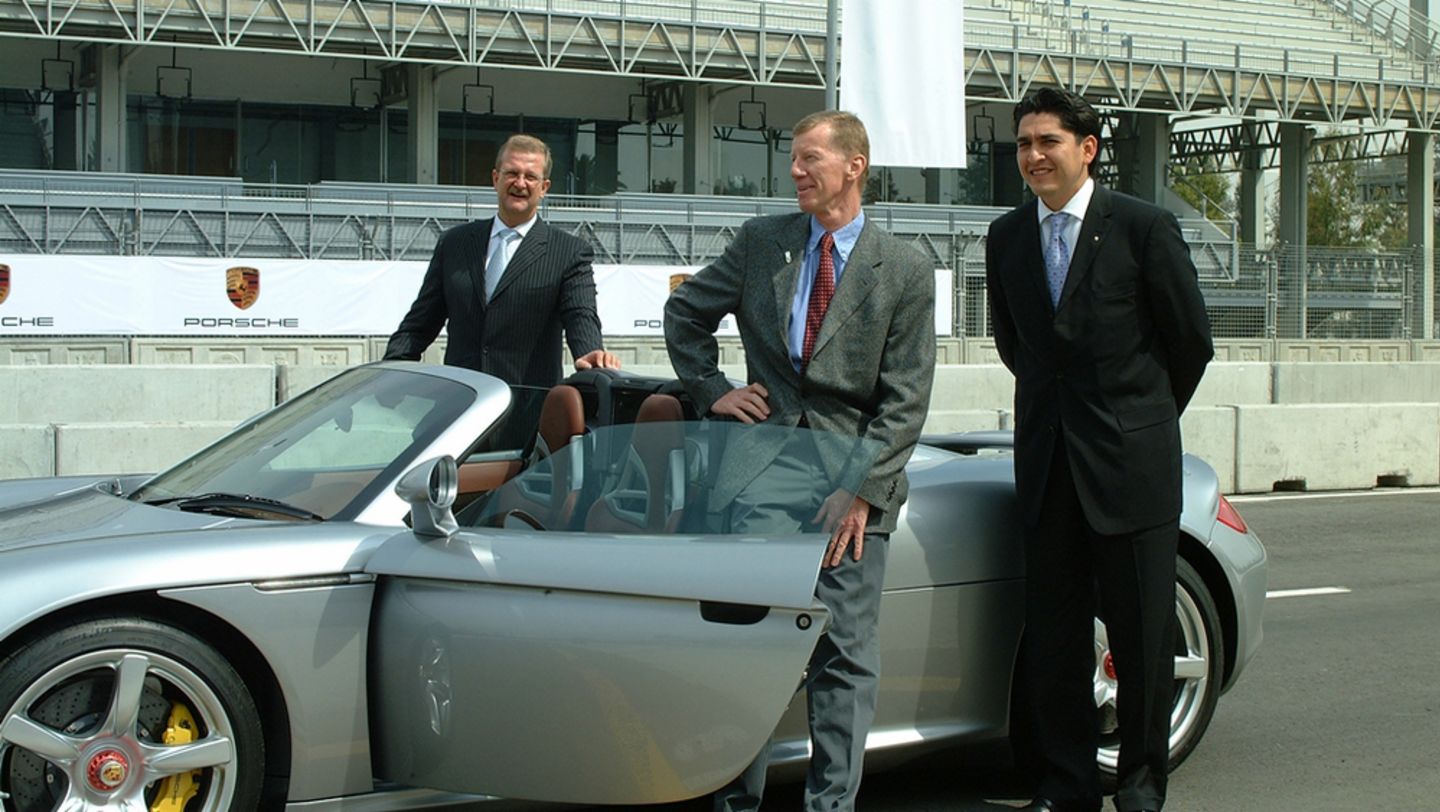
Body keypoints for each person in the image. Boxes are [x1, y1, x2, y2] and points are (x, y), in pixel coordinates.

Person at [664, 110, 936, 812]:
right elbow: (685, 314)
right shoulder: (763, 242)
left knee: (843, 655)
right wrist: (714, 391)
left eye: (810, 158)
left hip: (853, 479)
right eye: (794, 157)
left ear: (854, 166)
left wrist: (863, 490)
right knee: (746, 646)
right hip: (761, 469)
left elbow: (906, 398)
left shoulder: (905, 269)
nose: (795, 170)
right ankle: (734, 803)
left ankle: (830, 806)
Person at [985, 88, 1214, 812]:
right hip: (1048, 469)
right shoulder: (1006, 237)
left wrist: (1135, 424)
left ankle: (1141, 789)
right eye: (1024, 143)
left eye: (1047, 141)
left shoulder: (1144, 228)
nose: (1033, 156)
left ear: (1087, 149)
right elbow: (1019, 350)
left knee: (1142, 641)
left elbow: (1190, 343)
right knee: (1056, 643)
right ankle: (1066, 786)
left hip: (1131, 473)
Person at [385, 133, 620, 384]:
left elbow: (581, 315)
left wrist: (589, 353)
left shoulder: (569, 252)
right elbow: (420, 322)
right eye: (512, 173)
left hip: (528, 402)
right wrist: (389, 370)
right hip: (463, 398)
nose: (520, 183)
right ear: (496, 179)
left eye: (530, 177)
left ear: (544, 188)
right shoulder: (454, 243)